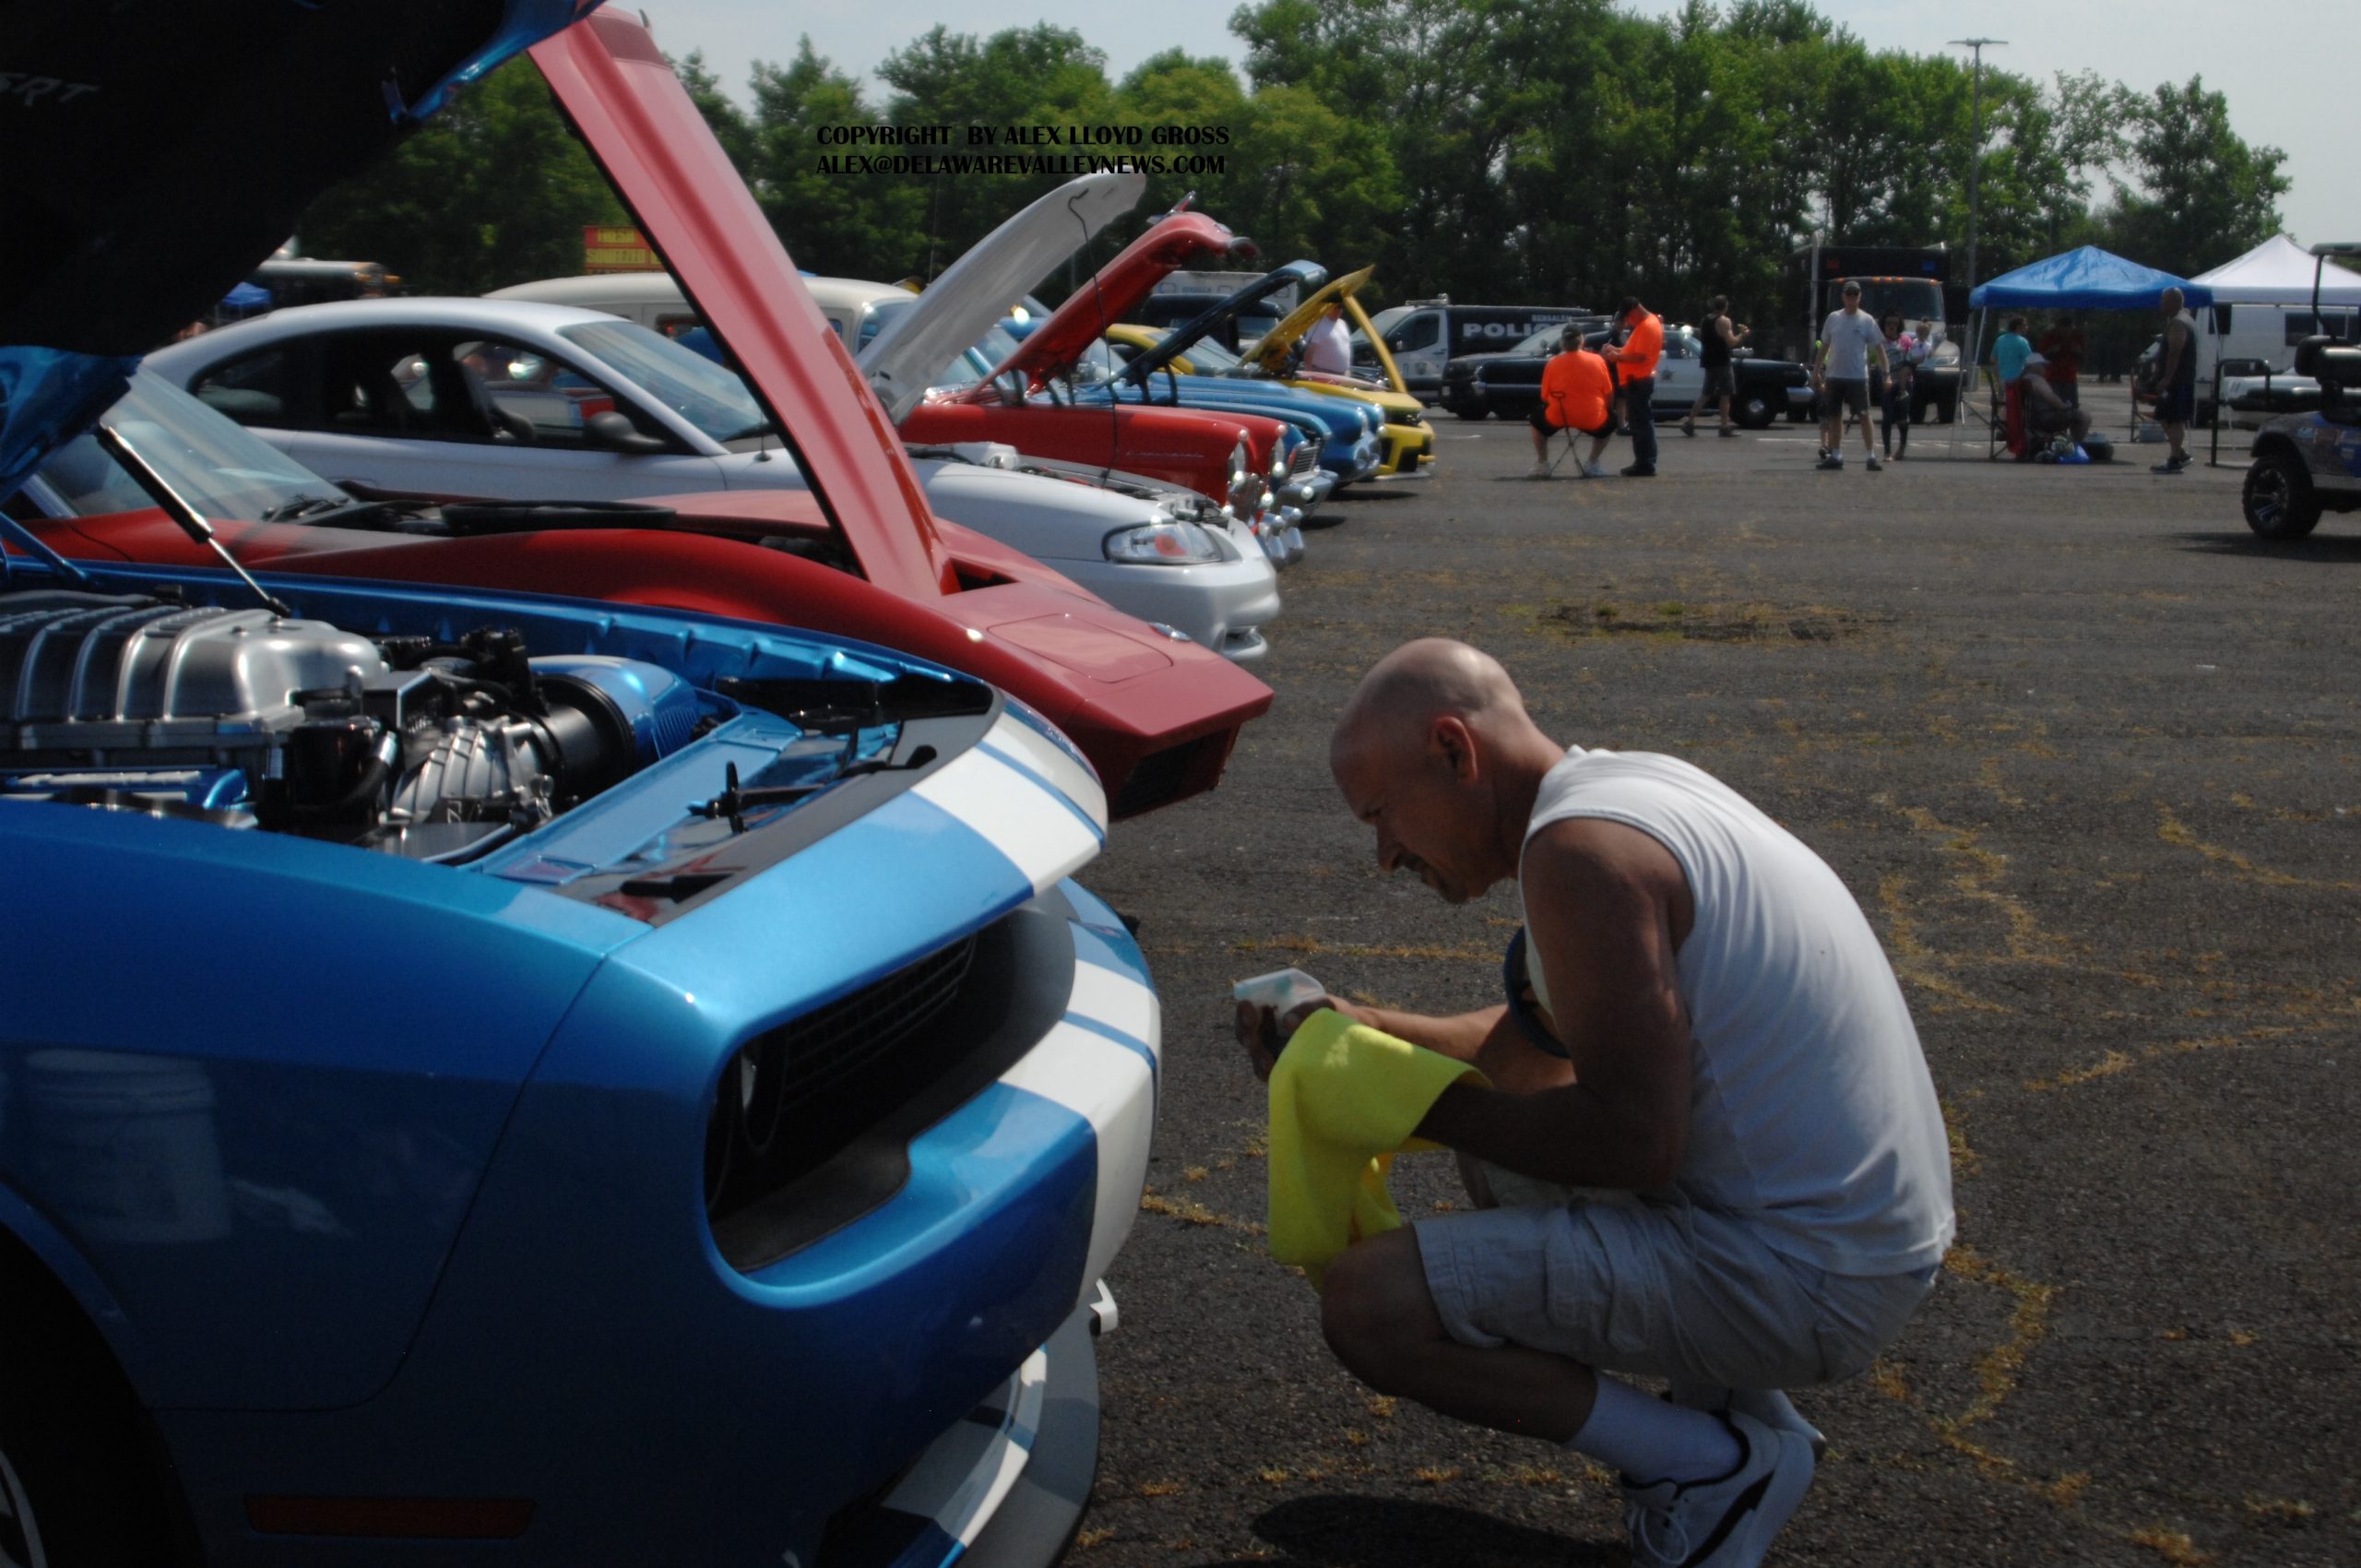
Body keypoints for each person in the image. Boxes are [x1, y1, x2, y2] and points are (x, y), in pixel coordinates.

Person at [1236, 638, 1953, 1568]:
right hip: (1860, 1241)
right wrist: (1358, 1029)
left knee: (1371, 1306)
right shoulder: (1624, 792)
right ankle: (1736, 1416)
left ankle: (1710, 1465)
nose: (1384, 856)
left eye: (1382, 814)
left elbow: (1631, 1139)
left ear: (1455, 750)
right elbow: (1541, 1042)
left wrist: (1405, 1101)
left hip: (1812, 1276)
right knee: (1501, 1138)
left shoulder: (1577, 856)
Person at [1527, 327, 1619, 479]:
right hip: (1592, 417)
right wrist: (1607, 409)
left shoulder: (1553, 363)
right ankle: (1592, 463)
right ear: (1582, 341)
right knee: (1611, 420)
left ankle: (1542, 463)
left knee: (1536, 421)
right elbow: (1609, 395)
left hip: (1559, 416)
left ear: (1563, 343)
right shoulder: (1597, 360)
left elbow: (1544, 397)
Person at [1815, 281, 1887, 471]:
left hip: (1857, 376)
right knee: (1834, 415)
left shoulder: (1867, 320)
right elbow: (1824, 346)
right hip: (1834, 374)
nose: (1852, 297)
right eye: (1849, 294)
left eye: (1855, 294)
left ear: (1860, 296)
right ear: (1843, 297)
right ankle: (1836, 454)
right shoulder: (1833, 318)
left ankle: (1871, 456)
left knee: (1864, 414)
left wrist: (1886, 373)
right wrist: (1816, 371)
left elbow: (1879, 348)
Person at [1603, 297, 1663, 476]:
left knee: (1641, 424)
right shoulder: (1646, 325)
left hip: (1638, 380)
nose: (1628, 321)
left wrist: (1617, 357)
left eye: (1628, 317)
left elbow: (1641, 357)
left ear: (1635, 310)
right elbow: (1633, 351)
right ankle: (1644, 461)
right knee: (1640, 423)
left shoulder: (1647, 326)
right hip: (1636, 380)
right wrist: (1617, 350)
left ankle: (1645, 463)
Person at [1680, 297, 1749, 437]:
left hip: (1709, 361)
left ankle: (1689, 422)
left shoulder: (1705, 320)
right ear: (1725, 307)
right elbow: (1731, 342)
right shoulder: (1724, 321)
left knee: (1706, 394)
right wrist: (1742, 334)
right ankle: (1724, 426)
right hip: (1722, 362)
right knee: (1725, 394)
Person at [2153, 288, 2197, 474]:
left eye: (2163, 300)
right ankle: (2180, 453)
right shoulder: (2184, 319)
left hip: (2177, 381)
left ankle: (2174, 460)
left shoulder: (2179, 323)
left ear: (2173, 301)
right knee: (2164, 417)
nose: (2161, 304)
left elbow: (2174, 351)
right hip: (2180, 380)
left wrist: (2166, 378)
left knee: (2173, 419)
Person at [2013, 353, 2093, 454]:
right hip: (2046, 418)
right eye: (2043, 365)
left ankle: (2070, 445)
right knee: (2084, 417)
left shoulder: (2023, 379)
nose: (2045, 368)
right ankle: (2074, 447)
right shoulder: (2037, 380)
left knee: (2074, 415)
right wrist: (2064, 406)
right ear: (2033, 366)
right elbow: (2050, 397)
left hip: (2032, 419)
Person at [1878, 313, 1919, 460]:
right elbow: (1871, 359)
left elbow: (1913, 359)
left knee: (1902, 418)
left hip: (1904, 383)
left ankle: (1902, 447)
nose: (1891, 327)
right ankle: (1887, 452)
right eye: (1888, 323)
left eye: (1895, 324)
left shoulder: (1906, 341)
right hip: (1887, 383)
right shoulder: (1879, 342)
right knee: (1887, 418)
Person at [2036, 315, 2085, 405]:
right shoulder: (2049, 336)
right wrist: (2051, 350)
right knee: (2054, 404)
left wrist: (2079, 352)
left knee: (2071, 404)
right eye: (2063, 328)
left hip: (2069, 376)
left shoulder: (2076, 336)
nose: (2066, 332)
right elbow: (2040, 355)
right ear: (2058, 327)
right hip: (2053, 376)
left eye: (2069, 329)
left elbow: (2085, 356)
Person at [1302, 301, 1353, 377]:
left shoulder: (1343, 323)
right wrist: (1308, 375)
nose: (1339, 310)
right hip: (1322, 373)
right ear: (1328, 307)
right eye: (1336, 307)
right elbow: (1309, 352)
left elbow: (1346, 349)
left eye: (1341, 307)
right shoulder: (1318, 323)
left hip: (1342, 375)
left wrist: (1347, 370)